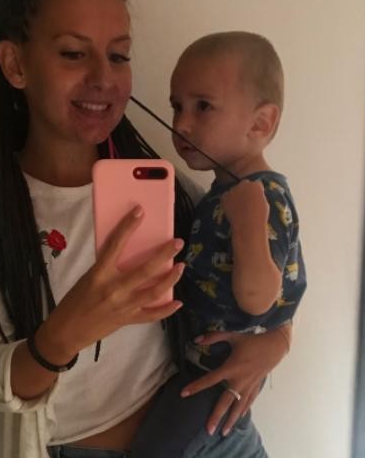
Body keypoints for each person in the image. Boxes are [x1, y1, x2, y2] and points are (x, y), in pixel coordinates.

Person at [0, 0, 292, 458]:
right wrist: (68, 330)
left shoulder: (169, 190)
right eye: (73, 54)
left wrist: (279, 339)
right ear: (15, 64)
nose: (104, 78)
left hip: (214, 438)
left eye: (119, 56)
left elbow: (263, 273)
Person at [131, 32, 306, 457]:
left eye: (203, 106)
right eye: (177, 106)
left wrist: (248, 222)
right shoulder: (219, 193)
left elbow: (258, 299)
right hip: (199, 365)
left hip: (218, 376)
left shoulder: (262, 197)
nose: (181, 124)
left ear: (260, 123)